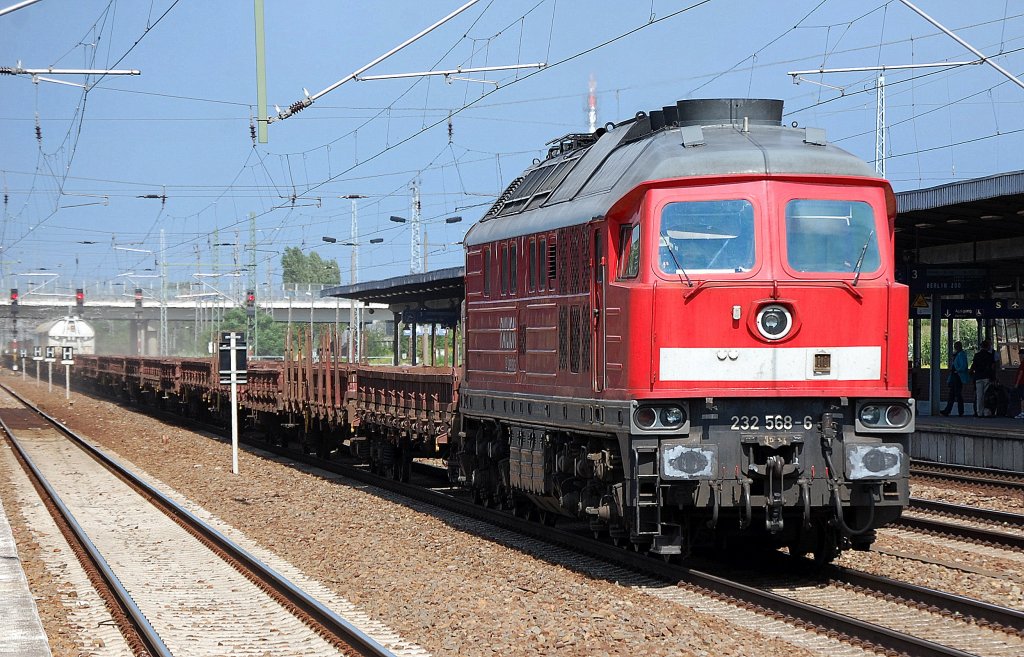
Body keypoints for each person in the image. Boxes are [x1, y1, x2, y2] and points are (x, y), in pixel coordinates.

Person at [939, 341, 969, 416]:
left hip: (958, 376)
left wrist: (957, 370)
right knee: (952, 394)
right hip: (955, 376)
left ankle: (958, 411)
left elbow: (963, 366)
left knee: (957, 394)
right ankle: (948, 410)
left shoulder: (961, 355)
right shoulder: (958, 354)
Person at [969, 340, 998, 417]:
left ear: (981, 346)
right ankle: (986, 412)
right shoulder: (990, 356)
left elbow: (973, 366)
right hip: (987, 377)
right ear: (988, 347)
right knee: (987, 395)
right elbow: (992, 368)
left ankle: (979, 412)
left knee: (979, 396)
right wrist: (994, 378)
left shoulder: (977, 355)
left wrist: (972, 375)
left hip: (978, 377)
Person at [1014, 347, 1024, 420]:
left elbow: (1021, 373)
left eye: (1020, 355)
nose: (1020, 357)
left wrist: (1017, 383)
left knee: (1022, 398)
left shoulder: (1023, 364)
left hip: (1022, 383)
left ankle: (1022, 412)